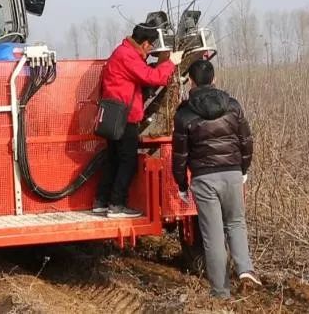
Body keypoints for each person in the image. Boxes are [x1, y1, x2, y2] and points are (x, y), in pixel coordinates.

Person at [172, 59, 260, 298]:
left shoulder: (184, 113)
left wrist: (181, 185)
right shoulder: (232, 106)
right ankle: (244, 267)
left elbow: (180, 154)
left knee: (213, 236)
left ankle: (221, 292)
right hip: (232, 173)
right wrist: (243, 169)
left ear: (190, 81)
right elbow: (246, 141)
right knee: (236, 223)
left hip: (203, 179)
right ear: (214, 78)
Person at [93, 22, 183, 218]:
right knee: (128, 162)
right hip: (125, 118)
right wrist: (171, 63)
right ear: (144, 44)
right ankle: (117, 205)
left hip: (114, 116)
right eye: (151, 46)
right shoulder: (128, 57)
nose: (151, 50)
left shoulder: (122, 52)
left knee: (114, 160)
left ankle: (101, 201)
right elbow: (152, 78)